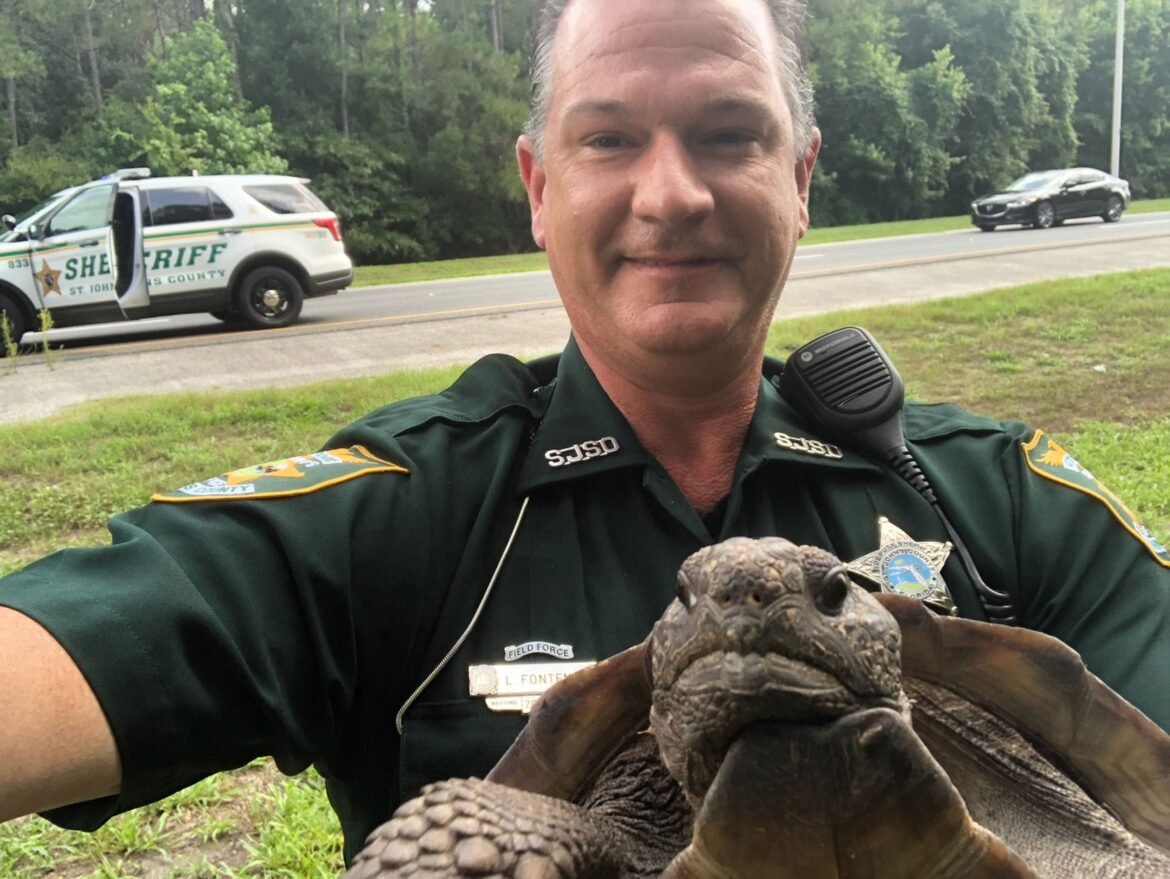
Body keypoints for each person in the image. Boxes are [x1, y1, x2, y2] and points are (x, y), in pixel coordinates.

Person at [2, 0, 1169, 869]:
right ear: (539, 185)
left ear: (802, 176)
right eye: (608, 139)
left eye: (729, 133)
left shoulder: (998, 498)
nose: (671, 195)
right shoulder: (407, 507)